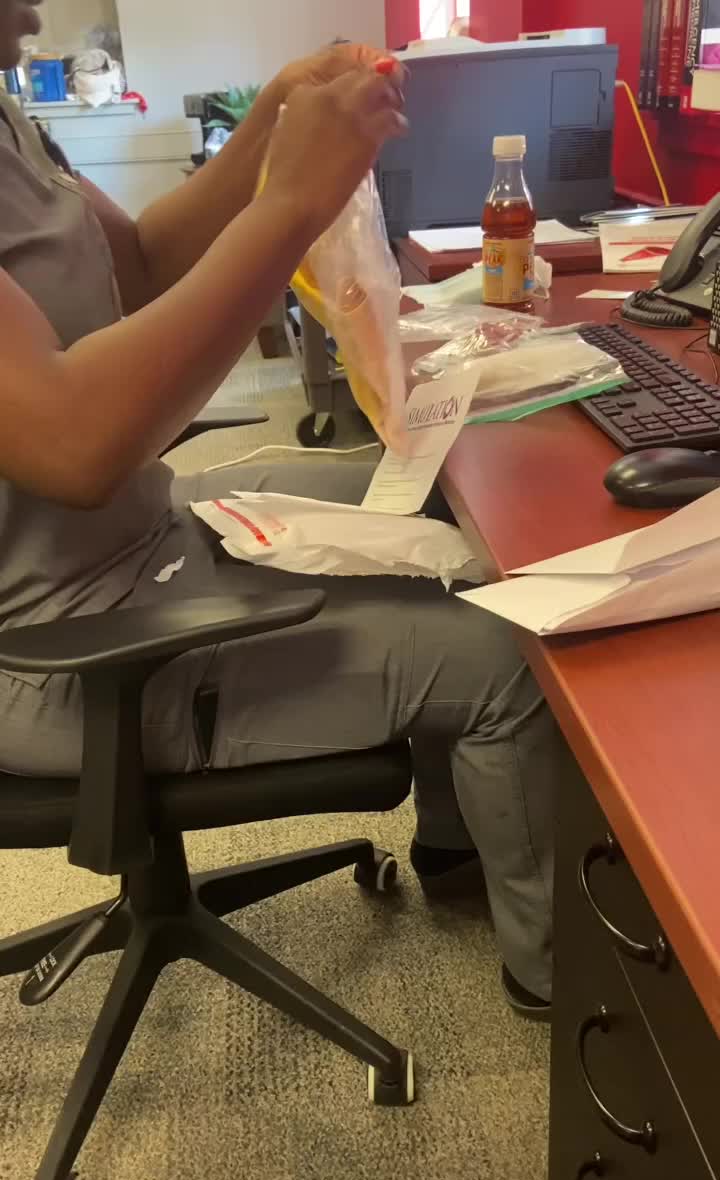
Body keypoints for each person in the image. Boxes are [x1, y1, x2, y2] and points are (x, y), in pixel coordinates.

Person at [0, 0, 554, 1014]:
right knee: (513, 657)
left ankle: (458, 847)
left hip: (129, 546)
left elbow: (141, 267)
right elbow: (76, 447)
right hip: (56, 651)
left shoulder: (10, 124)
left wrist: (271, 122)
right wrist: (294, 199)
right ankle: (557, 981)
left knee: (436, 512)